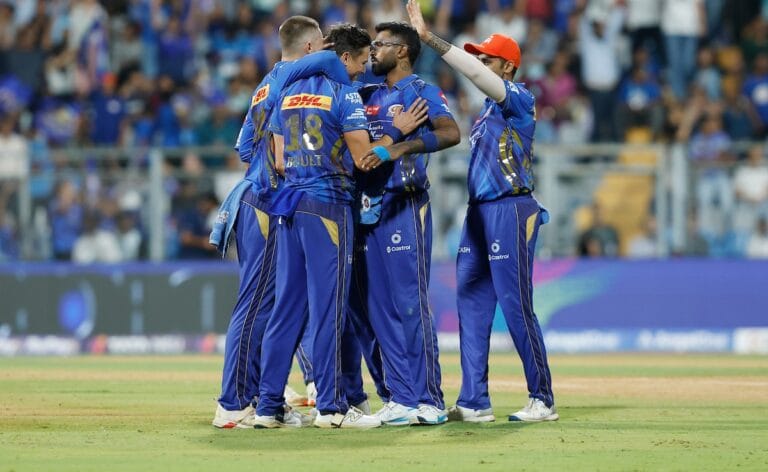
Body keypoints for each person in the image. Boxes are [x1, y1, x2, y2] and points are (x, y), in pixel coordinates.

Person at [255, 23, 424, 429]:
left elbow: (279, 160)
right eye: (362, 60)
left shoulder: (289, 92)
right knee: (330, 309)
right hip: (328, 206)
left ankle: (266, 407)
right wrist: (398, 131)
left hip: (290, 206)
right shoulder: (343, 93)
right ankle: (331, 408)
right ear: (344, 57)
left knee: (287, 310)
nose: (364, 69)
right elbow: (365, 158)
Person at [405, 0, 558, 422]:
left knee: (515, 304)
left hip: (511, 208)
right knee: (471, 302)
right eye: (479, 58)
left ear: (507, 67)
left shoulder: (519, 100)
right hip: (479, 214)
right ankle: (474, 400)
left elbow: (472, 74)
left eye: (487, 59)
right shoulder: (488, 111)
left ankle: (542, 397)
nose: (479, 64)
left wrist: (429, 39)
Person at [211, 16, 357, 429]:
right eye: (322, 45)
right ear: (311, 48)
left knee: (274, 303)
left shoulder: (266, 84)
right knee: (259, 303)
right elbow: (331, 63)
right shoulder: (292, 82)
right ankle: (235, 402)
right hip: (269, 200)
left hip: (258, 197)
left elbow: (244, 148)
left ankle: (261, 398)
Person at [351, 21, 461, 426]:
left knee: (410, 304)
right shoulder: (364, 94)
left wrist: (403, 147)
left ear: (402, 51)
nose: (372, 50)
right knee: (378, 309)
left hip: (405, 203)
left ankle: (430, 398)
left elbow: (451, 133)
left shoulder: (422, 91)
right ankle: (400, 398)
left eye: (380, 44)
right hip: (367, 209)